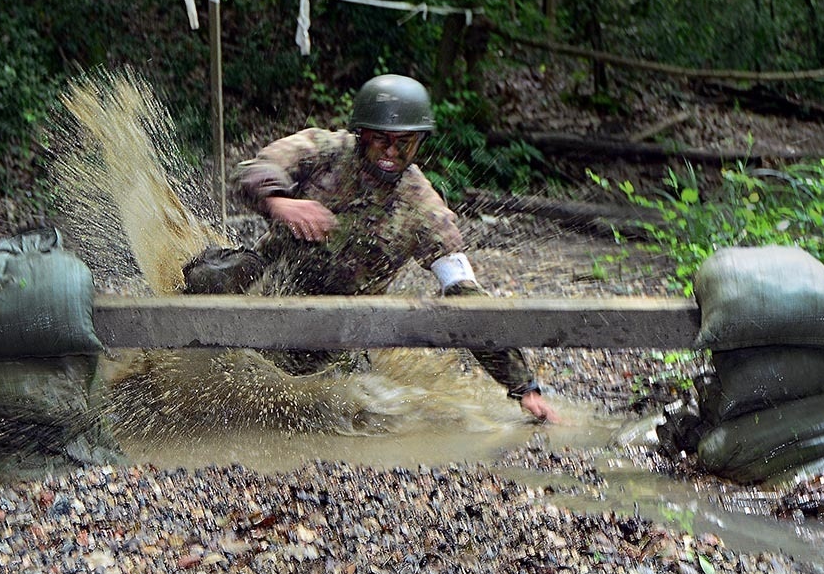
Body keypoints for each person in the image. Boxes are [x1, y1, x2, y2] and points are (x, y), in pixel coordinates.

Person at [184, 73, 560, 423]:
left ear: (419, 143)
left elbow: (464, 294)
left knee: (350, 412)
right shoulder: (324, 151)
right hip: (269, 283)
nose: (391, 152)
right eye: (382, 139)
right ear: (362, 133)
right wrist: (278, 201)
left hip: (339, 329)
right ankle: (170, 356)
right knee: (213, 275)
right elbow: (254, 169)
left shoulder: (422, 208)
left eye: (405, 142)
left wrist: (523, 386)